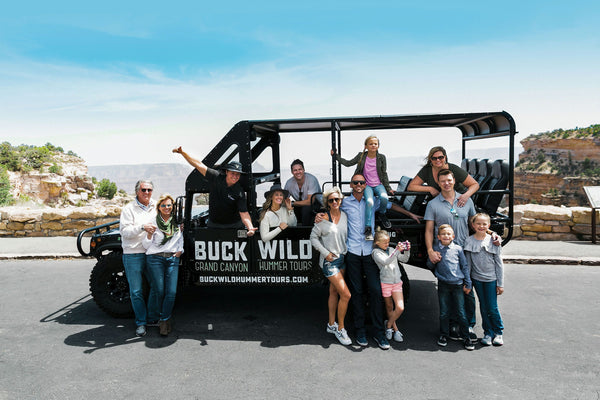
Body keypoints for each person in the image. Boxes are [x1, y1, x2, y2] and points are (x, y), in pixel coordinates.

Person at [424, 168, 477, 340]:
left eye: (449, 180)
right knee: (448, 288)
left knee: (468, 291)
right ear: (438, 183)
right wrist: (430, 250)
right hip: (445, 253)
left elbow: (475, 225)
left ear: (454, 180)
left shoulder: (466, 201)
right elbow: (429, 230)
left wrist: (491, 236)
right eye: (442, 181)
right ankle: (453, 325)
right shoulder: (433, 204)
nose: (446, 183)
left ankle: (469, 326)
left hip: (465, 251)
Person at [172, 147, 256, 235]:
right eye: (233, 173)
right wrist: (183, 153)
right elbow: (198, 164)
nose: (235, 176)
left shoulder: (239, 192)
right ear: (227, 172)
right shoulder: (216, 177)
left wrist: (250, 228)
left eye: (237, 174)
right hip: (214, 225)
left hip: (234, 226)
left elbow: (244, 212)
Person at [309, 186, 352, 346]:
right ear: (327, 202)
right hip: (329, 262)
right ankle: (341, 329)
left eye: (337, 199)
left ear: (341, 200)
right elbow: (313, 238)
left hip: (342, 258)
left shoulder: (345, 216)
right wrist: (325, 253)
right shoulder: (322, 219)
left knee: (334, 292)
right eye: (331, 200)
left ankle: (331, 324)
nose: (334, 202)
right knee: (346, 295)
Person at [331, 135, 394, 239]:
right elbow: (348, 163)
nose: (373, 145)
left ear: (378, 146)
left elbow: (384, 173)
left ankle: (382, 214)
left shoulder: (381, 157)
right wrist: (335, 156)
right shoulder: (362, 156)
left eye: (375, 144)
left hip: (378, 184)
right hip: (367, 185)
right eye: (371, 144)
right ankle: (368, 228)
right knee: (369, 202)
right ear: (366, 146)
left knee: (384, 198)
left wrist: (388, 188)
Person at [120, 180, 157, 337]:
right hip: (133, 253)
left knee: (156, 286)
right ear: (137, 191)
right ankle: (141, 322)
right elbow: (125, 232)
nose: (146, 193)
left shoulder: (157, 206)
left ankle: (152, 318)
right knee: (136, 291)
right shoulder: (128, 209)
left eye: (149, 190)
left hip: (152, 252)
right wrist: (142, 227)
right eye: (143, 190)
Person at [143, 194, 183, 337]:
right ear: (159, 207)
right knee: (159, 291)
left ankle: (164, 320)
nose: (167, 208)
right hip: (155, 259)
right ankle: (161, 318)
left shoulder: (177, 222)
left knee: (171, 292)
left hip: (172, 258)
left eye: (169, 205)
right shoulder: (152, 222)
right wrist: (148, 235)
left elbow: (180, 239)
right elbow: (146, 245)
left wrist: (179, 251)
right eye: (164, 205)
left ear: (173, 207)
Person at [429, 224, 475, 351]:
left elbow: (464, 266)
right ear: (438, 237)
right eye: (443, 234)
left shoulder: (458, 249)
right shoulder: (435, 249)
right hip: (443, 284)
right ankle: (444, 335)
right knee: (444, 312)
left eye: (449, 234)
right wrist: (434, 259)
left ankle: (466, 337)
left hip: (458, 284)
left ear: (453, 236)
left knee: (461, 312)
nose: (446, 236)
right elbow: (430, 265)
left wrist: (468, 282)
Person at [464, 213, 505, 346]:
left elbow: (499, 264)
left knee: (492, 307)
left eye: (484, 224)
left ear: (489, 225)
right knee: (483, 306)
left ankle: (498, 332)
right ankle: (487, 333)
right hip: (477, 279)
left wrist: (500, 283)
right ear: (473, 225)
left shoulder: (494, 241)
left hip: (491, 279)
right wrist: (468, 282)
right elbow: (468, 263)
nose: (481, 226)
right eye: (478, 223)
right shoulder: (469, 241)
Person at [408, 146, 479, 207]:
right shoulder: (427, 170)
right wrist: (430, 189)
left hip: (458, 202)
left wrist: (465, 196)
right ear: (430, 159)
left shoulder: (454, 169)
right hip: (439, 202)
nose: (438, 160)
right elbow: (411, 186)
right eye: (434, 158)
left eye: (440, 157)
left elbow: (474, 184)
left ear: (445, 157)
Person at [371, 230, 410, 344]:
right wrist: (397, 251)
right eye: (384, 242)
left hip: (397, 282)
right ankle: (395, 329)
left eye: (388, 242)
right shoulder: (375, 253)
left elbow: (404, 259)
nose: (387, 244)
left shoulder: (392, 250)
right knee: (389, 307)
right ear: (377, 242)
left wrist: (407, 250)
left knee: (400, 307)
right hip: (386, 283)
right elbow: (386, 261)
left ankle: (388, 325)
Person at [284, 159, 321, 225]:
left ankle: (305, 232)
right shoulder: (289, 183)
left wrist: (292, 203)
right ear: (292, 172)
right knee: (288, 210)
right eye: (295, 170)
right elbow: (284, 199)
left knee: (306, 209)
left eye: (300, 169)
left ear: (304, 170)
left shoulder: (311, 179)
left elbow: (310, 201)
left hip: (316, 203)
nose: (298, 172)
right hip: (299, 204)